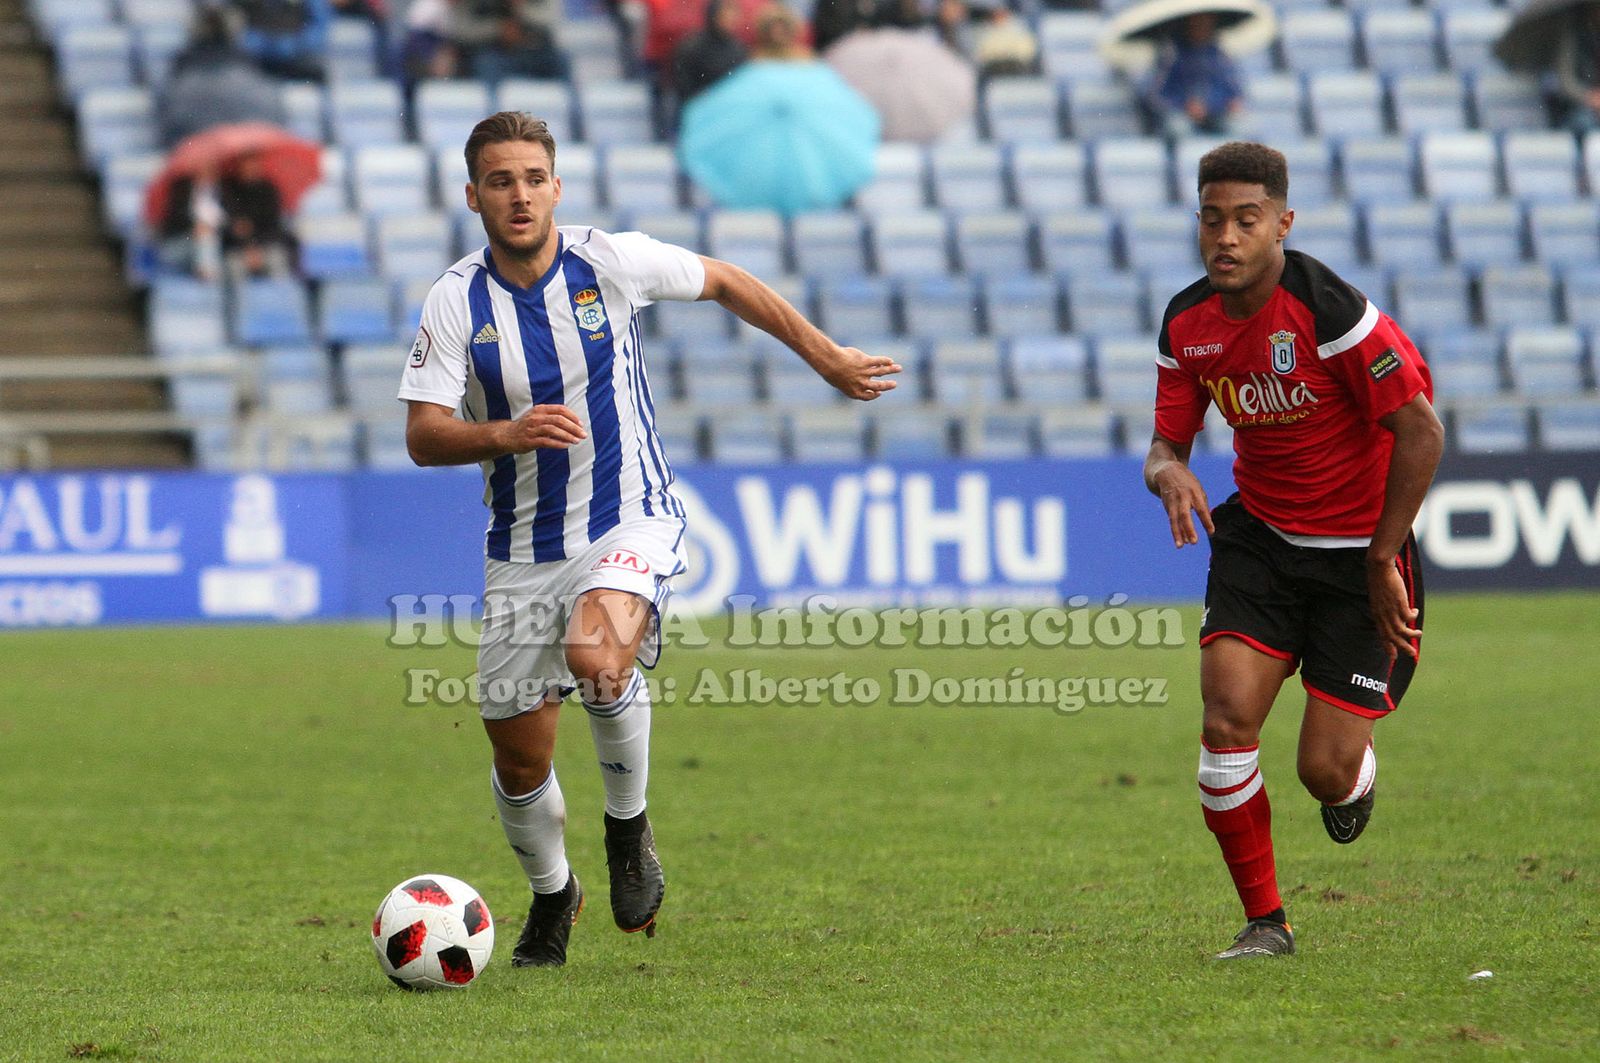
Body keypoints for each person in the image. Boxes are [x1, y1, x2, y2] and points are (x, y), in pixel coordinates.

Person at [397, 112, 900, 967]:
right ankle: (556, 894)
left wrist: (825, 357)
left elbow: (727, 279)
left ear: (556, 185)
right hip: (523, 544)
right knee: (521, 761)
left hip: (630, 512)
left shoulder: (610, 261)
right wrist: (507, 434)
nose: (518, 196)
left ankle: (627, 831)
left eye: (532, 178)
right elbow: (423, 434)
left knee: (599, 657)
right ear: (473, 194)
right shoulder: (455, 300)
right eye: (499, 182)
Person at [1142, 142, 1443, 960]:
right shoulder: (1187, 321)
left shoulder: (1331, 312)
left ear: (1283, 222)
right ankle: (1266, 922)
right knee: (1226, 717)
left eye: (1246, 220)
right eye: (1212, 220)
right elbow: (1166, 444)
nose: (1226, 238)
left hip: (1359, 559)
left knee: (1323, 769)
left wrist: (1383, 557)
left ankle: (1357, 778)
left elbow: (1421, 430)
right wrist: (1168, 473)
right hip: (1262, 542)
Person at [1145, 12, 1243, 137]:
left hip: (1217, 114)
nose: (1202, 27)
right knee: (1178, 127)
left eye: (1207, 23)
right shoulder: (1171, 55)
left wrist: (1223, 103)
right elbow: (1155, 96)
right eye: (1197, 22)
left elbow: (1235, 92)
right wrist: (1185, 104)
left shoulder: (1220, 55)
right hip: (1182, 115)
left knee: (1241, 127)